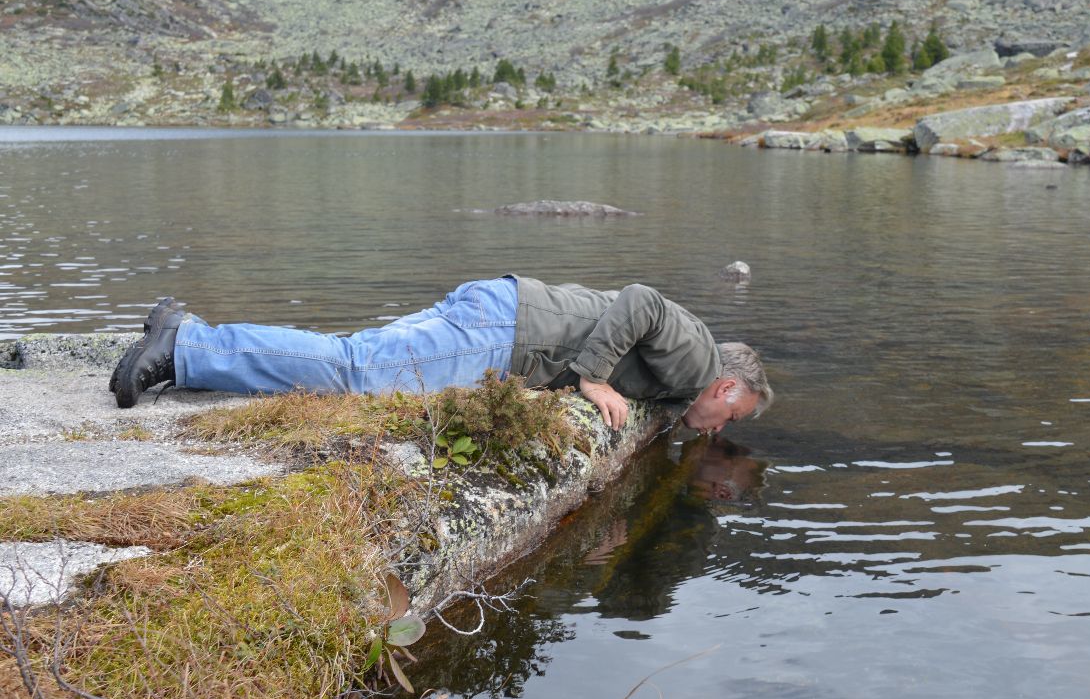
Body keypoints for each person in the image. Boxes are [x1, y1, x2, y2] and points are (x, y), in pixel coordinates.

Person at [110, 274, 772, 434]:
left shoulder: (686, 379)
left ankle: (193, 341)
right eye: (731, 417)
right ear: (724, 389)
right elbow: (641, 301)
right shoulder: (699, 359)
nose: (721, 429)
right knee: (356, 372)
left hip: (503, 314)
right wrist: (593, 380)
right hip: (506, 331)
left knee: (361, 361)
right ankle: (185, 344)